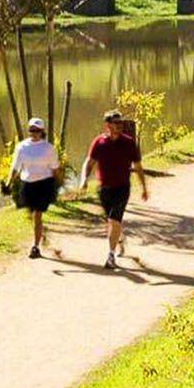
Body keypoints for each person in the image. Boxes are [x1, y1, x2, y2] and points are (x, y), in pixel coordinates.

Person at [79, 109, 148, 269]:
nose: (120, 125)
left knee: (114, 219)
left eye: (121, 123)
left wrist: (144, 187)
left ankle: (110, 256)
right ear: (108, 125)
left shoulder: (129, 142)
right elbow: (88, 163)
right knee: (111, 221)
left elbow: (138, 166)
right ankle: (118, 240)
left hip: (122, 188)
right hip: (104, 189)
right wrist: (83, 180)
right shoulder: (99, 142)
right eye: (116, 123)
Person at [6, 117, 62, 259]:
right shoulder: (22, 147)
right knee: (32, 214)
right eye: (31, 130)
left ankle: (35, 246)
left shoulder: (48, 148)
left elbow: (55, 169)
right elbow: (15, 168)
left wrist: (59, 183)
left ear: (42, 131)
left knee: (37, 214)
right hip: (27, 185)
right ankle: (40, 232)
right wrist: (8, 183)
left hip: (44, 184)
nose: (34, 133)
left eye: (37, 130)